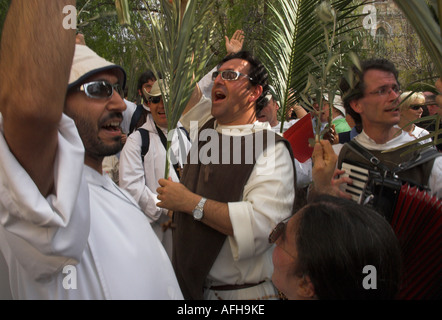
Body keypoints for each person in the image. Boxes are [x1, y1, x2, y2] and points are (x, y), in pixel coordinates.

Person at [0, 0, 182, 300]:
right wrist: (59, 33)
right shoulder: (54, 198)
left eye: (117, 89)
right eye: (98, 89)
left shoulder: (108, 191)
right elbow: (30, 104)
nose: (120, 104)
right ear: (56, 105)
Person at [157, 51, 297, 300]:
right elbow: (191, 99)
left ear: (255, 92)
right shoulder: (209, 128)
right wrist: (182, 54)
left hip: (241, 296)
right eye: (217, 75)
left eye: (230, 75)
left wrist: (188, 203)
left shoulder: (271, 149)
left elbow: (261, 228)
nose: (219, 81)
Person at [337, 58, 442, 299]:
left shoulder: (427, 160)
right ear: (357, 104)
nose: (394, 96)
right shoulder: (348, 153)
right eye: (382, 91)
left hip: (417, 281)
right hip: (361, 280)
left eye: (395, 88)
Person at [119, 80, 192, 259]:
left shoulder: (186, 135)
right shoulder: (137, 141)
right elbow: (131, 187)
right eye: (155, 100)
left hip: (189, 227)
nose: (161, 106)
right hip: (156, 231)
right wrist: (168, 208)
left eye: (166, 100)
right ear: (149, 104)